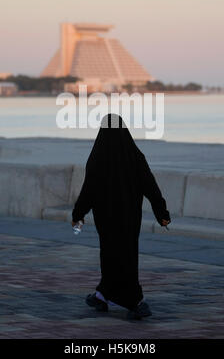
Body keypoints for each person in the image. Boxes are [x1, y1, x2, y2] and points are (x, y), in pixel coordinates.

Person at [71, 113, 171, 320]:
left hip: (106, 219)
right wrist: (162, 213)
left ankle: (134, 300)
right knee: (126, 255)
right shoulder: (134, 155)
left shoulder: (98, 157)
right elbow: (150, 186)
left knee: (109, 254)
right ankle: (104, 294)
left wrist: (78, 214)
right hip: (129, 218)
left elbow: (88, 190)